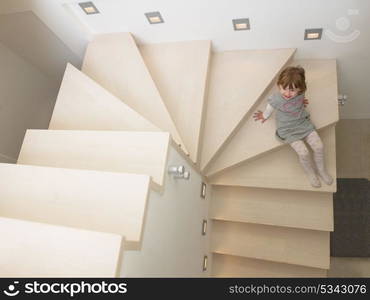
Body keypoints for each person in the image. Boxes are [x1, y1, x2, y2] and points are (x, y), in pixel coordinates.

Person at [253, 66, 333, 188]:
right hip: (288, 129)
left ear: (300, 89)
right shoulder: (276, 99)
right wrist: (264, 116)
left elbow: (299, 98)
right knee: (304, 153)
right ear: (279, 85)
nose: (287, 93)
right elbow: (269, 109)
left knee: (319, 146)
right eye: (283, 89)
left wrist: (301, 101)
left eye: (292, 90)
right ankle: (310, 173)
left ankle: (321, 170)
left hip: (303, 124)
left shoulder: (300, 93)